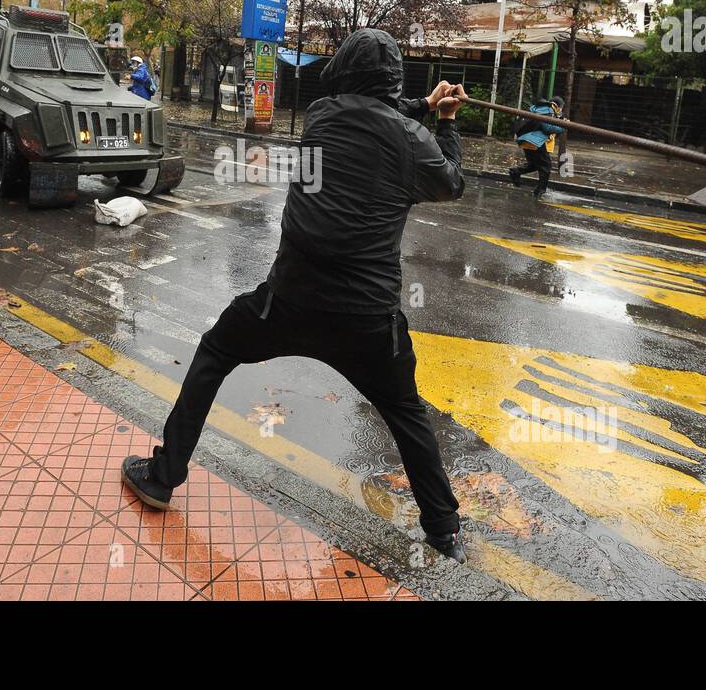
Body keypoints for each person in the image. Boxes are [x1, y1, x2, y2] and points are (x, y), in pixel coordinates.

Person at [120, 28, 470, 562]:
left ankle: (163, 477)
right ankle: (443, 530)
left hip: (288, 303)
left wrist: (423, 105)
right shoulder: (412, 143)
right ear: (394, 82)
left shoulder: (323, 115)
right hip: (368, 318)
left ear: (345, 75)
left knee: (216, 351)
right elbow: (449, 182)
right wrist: (444, 121)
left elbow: (378, 114)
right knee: (404, 410)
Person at [508, 95, 564, 198]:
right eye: (561, 109)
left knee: (534, 165)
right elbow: (547, 128)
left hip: (526, 140)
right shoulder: (549, 110)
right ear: (558, 106)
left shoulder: (538, 108)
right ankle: (540, 191)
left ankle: (516, 171)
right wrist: (562, 127)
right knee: (546, 167)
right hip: (535, 141)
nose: (561, 111)